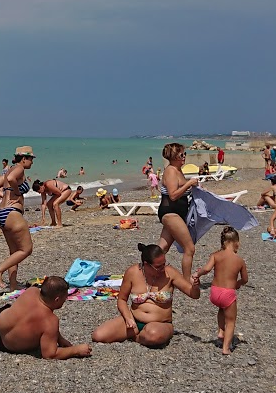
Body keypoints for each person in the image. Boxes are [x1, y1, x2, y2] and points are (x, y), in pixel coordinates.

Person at [91, 243, 200, 348]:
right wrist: (128, 318)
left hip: (160, 323)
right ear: (146, 264)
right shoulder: (132, 272)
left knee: (153, 335)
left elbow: (193, 295)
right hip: (135, 319)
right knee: (98, 335)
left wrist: (195, 286)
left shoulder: (170, 273)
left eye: (164, 264)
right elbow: (122, 300)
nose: (163, 268)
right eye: (159, 266)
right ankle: (140, 335)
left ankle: (137, 338)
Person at [0, 276, 92, 359]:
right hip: (10, 346)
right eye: (64, 299)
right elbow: (50, 354)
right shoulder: (50, 321)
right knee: (42, 326)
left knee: (19, 312)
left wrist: (59, 338)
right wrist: (76, 350)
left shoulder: (32, 291)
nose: (65, 301)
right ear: (57, 299)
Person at [0, 147, 37, 293]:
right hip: (13, 213)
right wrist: (16, 191)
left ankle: (13, 285)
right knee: (26, 249)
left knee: (14, 251)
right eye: (31, 159)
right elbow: (11, 180)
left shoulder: (9, 169)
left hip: (2, 213)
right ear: (23, 159)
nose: (32, 163)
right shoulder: (19, 169)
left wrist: (4, 196)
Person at [194, 227, 247, 355]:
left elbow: (206, 269)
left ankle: (221, 332)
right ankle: (226, 348)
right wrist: (238, 283)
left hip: (215, 292)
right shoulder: (239, 260)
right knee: (231, 321)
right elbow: (245, 279)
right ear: (236, 243)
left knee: (221, 309)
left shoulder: (215, 255)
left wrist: (197, 274)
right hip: (227, 293)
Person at [157, 142, 203, 277]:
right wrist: (189, 183)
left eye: (185, 154)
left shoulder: (178, 170)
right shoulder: (171, 170)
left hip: (176, 213)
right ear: (174, 156)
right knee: (189, 248)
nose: (184, 157)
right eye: (182, 154)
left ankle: (144, 272)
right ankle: (186, 281)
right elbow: (173, 195)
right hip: (170, 213)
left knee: (162, 248)